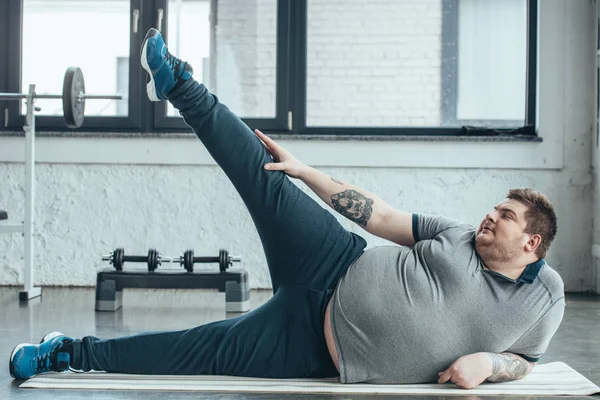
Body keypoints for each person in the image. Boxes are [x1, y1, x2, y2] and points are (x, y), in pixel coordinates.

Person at [9, 28, 565, 390]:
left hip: (314, 347)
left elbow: (527, 361)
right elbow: (380, 215)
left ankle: (65, 353)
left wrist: (489, 365)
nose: (491, 216)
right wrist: (307, 171)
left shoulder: (546, 298)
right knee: (266, 173)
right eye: (496, 207)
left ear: (532, 243)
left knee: (191, 353)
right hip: (335, 261)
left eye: (507, 216)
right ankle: (177, 82)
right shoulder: (458, 236)